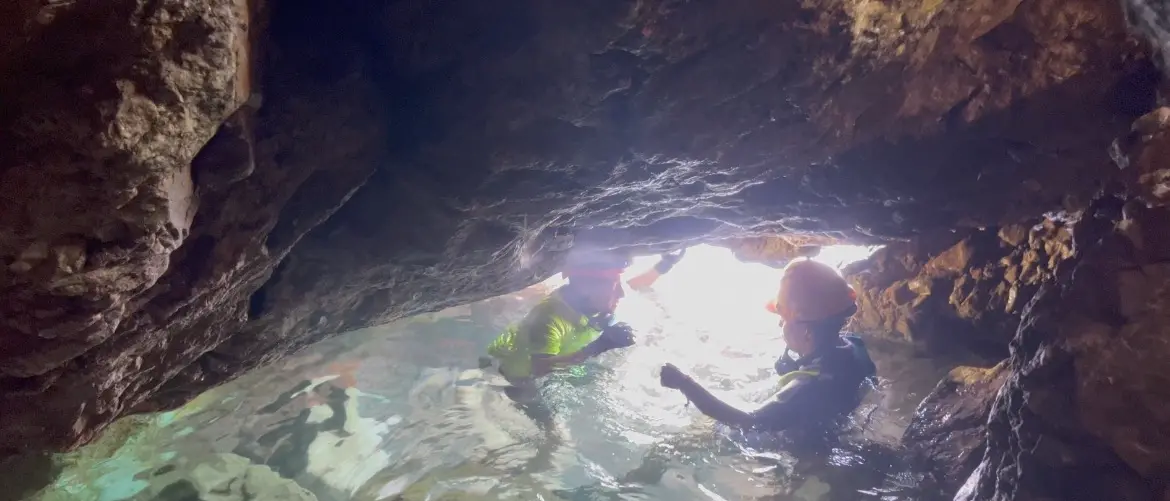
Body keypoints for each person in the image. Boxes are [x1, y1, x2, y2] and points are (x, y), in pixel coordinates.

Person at [658, 257, 876, 433]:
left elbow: (749, 422)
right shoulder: (855, 346)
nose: (780, 323)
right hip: (838, 423)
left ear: (807, 330)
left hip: (809, 453)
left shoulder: (807, 386)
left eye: (782, 317)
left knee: (695, 436)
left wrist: (685, 384)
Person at [481, 247, 685, 433]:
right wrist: (598, 347)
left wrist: (663, 266)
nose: (621, 293)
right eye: (615, 287)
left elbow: (633, 287)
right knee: (557, 440)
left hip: (557, 356)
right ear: (588, 289)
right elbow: (540, 369)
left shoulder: (593, 303)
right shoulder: (549, 320)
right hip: (514, 377)